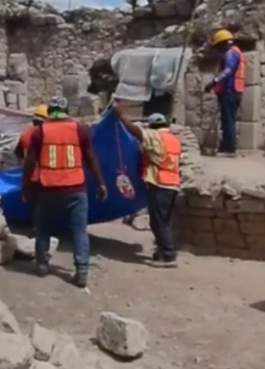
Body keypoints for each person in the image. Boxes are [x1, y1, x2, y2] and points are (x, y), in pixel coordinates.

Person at [22, 96, 108, 288]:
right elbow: (91, 159)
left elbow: (29, 162)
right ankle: (82, 271)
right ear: (67, 111)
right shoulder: (79, 130)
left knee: (43, 227)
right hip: (76, 188)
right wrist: (101, 183)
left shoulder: (40, 132)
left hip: (48, 189)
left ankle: (42, 265)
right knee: (79, 231)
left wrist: (26, 186)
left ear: (49, 112)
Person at [113, 100, 182, 266]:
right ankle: (162, 249)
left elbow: (137, 132)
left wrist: (121, 116)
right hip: (173, 184)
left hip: (160, 184)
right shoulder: (173, 139)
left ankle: (168, 254)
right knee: (164, 220)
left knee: (158, 221)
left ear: (153, 126)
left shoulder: (156, 136)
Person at [203, 29, 244, 156]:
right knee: (228, 120)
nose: (218, 50)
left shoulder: (231, 53)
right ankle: (226, 146)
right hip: (233, 91)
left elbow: (228, 71)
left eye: (219, 46)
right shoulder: (235, 53)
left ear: (225, 43)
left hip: (230, 92)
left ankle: (229, 149)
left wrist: (213, 82)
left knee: (228, 121)